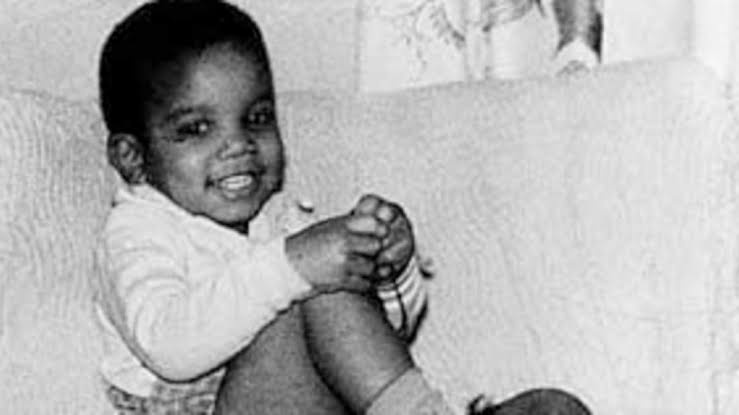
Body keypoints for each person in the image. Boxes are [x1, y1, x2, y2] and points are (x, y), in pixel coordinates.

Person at [95, 1, 593, 414]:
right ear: (132, 157)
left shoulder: (283, 220)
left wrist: (390, 274)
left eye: (257, 118)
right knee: (316, 289)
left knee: (554, 407)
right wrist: (294, 264)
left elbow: (377, 349)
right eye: (196, 129)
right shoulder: (139, 229)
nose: (239, 144)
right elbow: (170, 346)